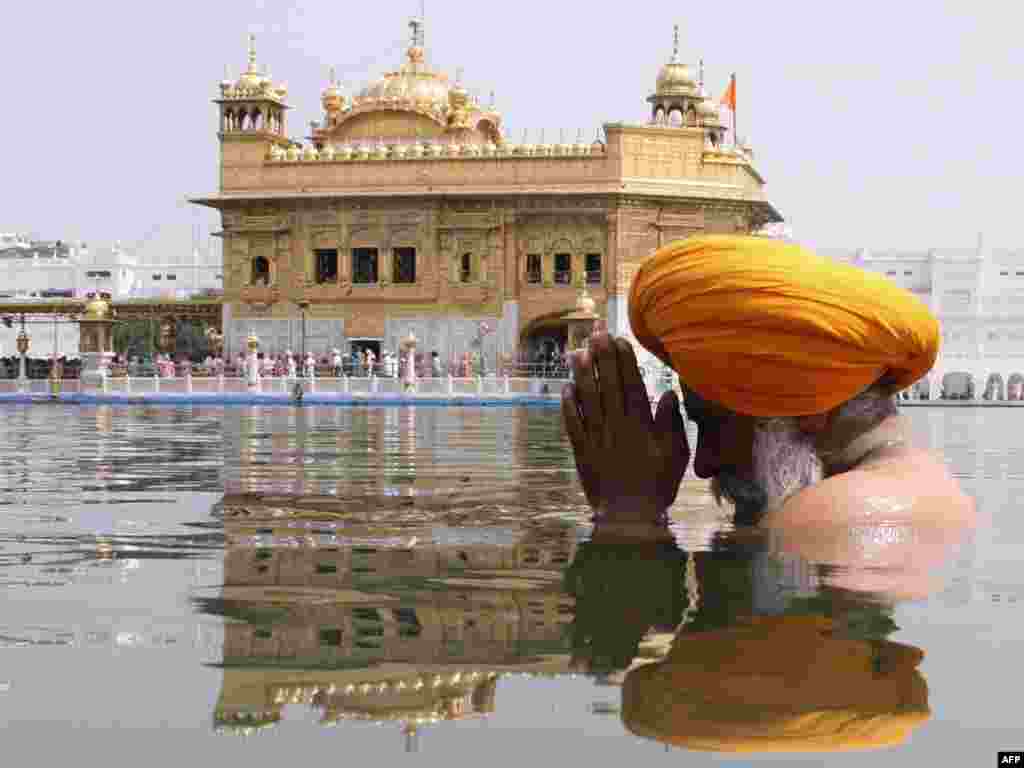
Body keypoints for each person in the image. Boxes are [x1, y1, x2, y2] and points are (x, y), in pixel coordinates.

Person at [562, 235, 972, 528]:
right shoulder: (927, 491)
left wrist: (630, 516)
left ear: (810, 405)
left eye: (712, 423)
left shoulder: (838, 518)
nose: (702, 463)